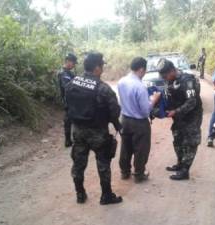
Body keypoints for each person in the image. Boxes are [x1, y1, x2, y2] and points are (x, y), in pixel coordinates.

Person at [65, 52, 123, 205]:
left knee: (78, 164)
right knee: (103, 163)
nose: (102, 68)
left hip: (78, 131)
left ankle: (80, 194)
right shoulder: (103, 88)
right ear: (97, 67)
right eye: (102, 65)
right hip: (98, 132)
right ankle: (106, 196)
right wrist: (115, 124)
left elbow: (67, 106)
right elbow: (115, 112)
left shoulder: (72, 83)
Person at [157, 59, 203, 180]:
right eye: (162, 76)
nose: (164, 78)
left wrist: (175, 111)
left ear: (172, 70)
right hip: (178, 117)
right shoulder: (170, 80)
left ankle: (185, 170)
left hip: (192, 116)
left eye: (165, 75)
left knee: (191, 142)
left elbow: (192, 102)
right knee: (178, 140)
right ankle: (180, 164)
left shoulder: (187, 80)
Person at [117, 57, 161, 183]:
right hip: (139, 123)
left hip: (124, 119)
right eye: (145, 70)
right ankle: (139, 174)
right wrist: (154, 99)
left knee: (126, 147)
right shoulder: (139, 86)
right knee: (141, 148)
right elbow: (145, 110)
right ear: (141, 69)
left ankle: (124, 172)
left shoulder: (122, 81)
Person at [57, 53, 77, 147]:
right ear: (68, 62)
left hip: (72, 100)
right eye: (73, 63)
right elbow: (66, 87)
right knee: (68, 120)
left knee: (72, 120)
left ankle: (72, 139)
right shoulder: (63, 73)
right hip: (67, 100)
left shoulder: (69, 73)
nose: (74, 65)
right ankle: (68, 141)